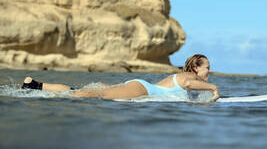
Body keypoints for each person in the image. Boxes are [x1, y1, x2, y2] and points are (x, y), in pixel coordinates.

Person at [21, 54, 220, 101]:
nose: (208, 72)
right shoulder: (187, 76)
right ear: (195, 68)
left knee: (82, 91)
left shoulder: (187, 76)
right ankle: (44, 94)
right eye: (207, 68)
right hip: (142, 89)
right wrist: (213, 89)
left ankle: (36, 86)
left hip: (139, 86)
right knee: (89, 95)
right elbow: (188, 84)